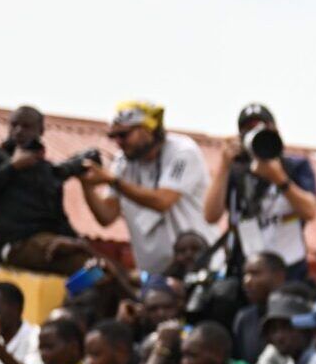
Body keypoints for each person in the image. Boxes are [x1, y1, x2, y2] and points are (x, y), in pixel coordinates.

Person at [80, 102, 215, 276]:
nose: (118, 142)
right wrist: (86, 185)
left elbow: (163, 201)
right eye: (114, 136)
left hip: (200, 269)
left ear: (148, 129)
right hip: (155, 276)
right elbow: (106, 216)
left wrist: (114, 181)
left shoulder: (183, 152)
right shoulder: (123, 162)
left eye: (124, 135)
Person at [0, 105, 93, 273]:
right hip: (16, 242)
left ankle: (81, 287)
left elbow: (57, 216)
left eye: (26, 126)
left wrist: (75, 239)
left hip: (51, 240)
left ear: (41, 130)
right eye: (14, 125)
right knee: (86, 269)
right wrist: (12, 167)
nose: (18, 131)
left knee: (102, 269)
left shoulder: (47, 170)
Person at [203, 103, 316, 274]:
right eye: (248, 130)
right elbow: (210, 215)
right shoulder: (235, 171)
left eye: (262, 129)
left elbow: (310, 211)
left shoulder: (294, 167)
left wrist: (279, 178)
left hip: (289, 269)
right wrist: (224, 165)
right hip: (245, 268)